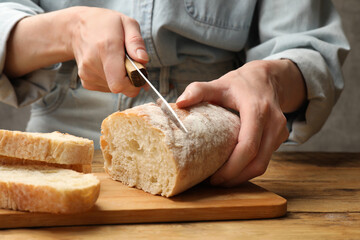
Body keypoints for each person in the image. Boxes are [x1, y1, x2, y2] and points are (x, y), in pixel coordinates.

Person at [0, 1, 349, 187]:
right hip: (56, 147)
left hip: (229, 157)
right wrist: (66, 30)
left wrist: (270, 79)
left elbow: (309, 48)